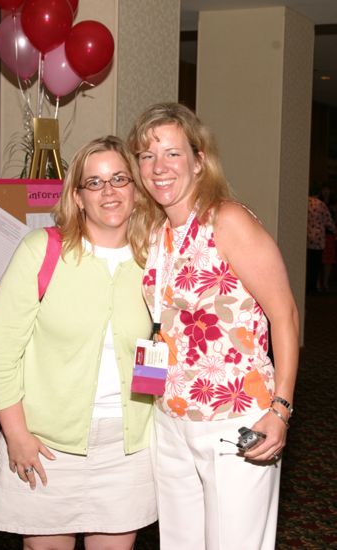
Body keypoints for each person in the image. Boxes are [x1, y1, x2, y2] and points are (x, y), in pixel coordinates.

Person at [128, 102, 299, 550]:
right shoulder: (155, 232)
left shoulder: (228, 220)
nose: (158, 167)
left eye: (172, 154)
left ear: (200, 161)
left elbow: (285, 315)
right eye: (147, 156)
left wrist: (280, 408)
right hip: (171, 415)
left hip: (237, 417)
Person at [0, 136, 157, 550]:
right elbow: (1, 350)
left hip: (127, 450)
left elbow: (160, 343)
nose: (109, 191)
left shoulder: (154, 258)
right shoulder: (42, 251)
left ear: (136, 189)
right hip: (44, 447)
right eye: (94, 183)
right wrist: (18, 435)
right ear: (77, 197)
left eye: (119, 178)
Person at [306, 186, 336, 294]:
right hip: (318, 239)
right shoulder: (320, 204)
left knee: (308, 262)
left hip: (307, 237)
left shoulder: (305, 203)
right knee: (316, 263)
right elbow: (328, 220)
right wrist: (334, 230)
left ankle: (308, 285)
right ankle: (312, 286)